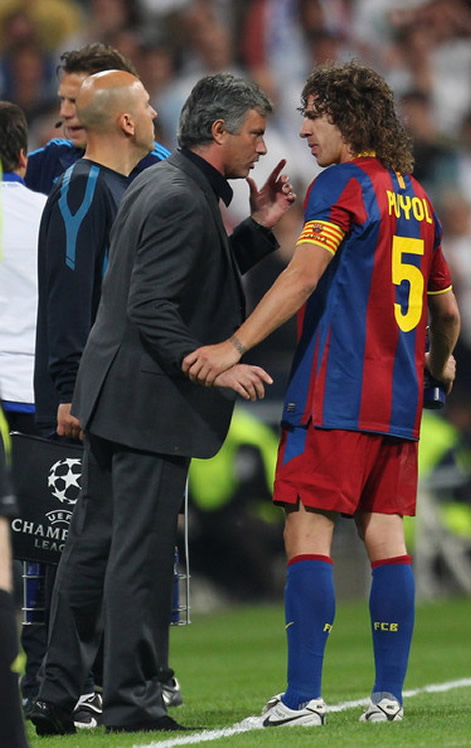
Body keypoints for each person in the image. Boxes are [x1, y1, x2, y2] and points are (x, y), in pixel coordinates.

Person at [182, 60, 461, 725]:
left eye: (313, 114)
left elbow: (303, 277)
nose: (301, 128)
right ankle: (388, 697)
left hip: (334, 391)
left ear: (348, 119)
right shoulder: (415, 195)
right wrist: (438, 366)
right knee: (385, 537)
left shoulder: (342, 184)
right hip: (396, 399)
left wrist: (234, 345)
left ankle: (304, 698)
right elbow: (446, 314)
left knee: (307, 531)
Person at [31, 71, 294, 735]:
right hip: (146, 400)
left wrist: (258, 231)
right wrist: (211, 367)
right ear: (220, 131)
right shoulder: (179, 195)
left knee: (93, 547)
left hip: (115, 391)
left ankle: (56, 694)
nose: (262, 148)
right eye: (255, 133)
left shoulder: (163, 180)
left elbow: (183, 278)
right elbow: (152, 305)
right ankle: (131, 698)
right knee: (138, 554)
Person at [30, 68, 157, 732]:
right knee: (85, 544)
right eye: (145, 102)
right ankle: (65, 687)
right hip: (86, 397)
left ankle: (78, 687)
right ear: (127, 121)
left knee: (97, 542)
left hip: (107, 393)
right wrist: (71, 390)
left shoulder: (121, 187)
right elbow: (71, 292)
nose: (155, 108)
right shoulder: (82, 186)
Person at [0, 100, 48, 721]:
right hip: (39, 400)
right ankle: (44, 675)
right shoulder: (48, 214)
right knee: (45, 547)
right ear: (22, 156)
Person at [24, 42, 170, 196]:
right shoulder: (51, 160)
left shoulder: (159, 175)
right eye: (63, 100)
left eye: (76, 101)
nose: (64, 112)